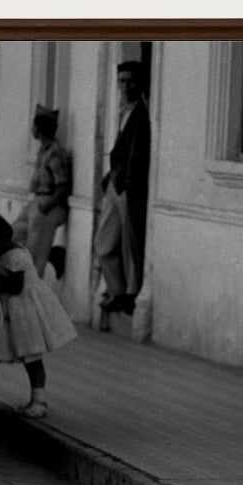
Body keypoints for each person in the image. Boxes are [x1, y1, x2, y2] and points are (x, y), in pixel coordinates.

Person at [0, 211, 77, 419]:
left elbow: (15, 285)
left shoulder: (15, 256)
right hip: (18, 312)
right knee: (29, 357)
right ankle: (34, 399)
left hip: (26, 313)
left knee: (32, 356)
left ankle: (39, 401)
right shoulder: (8, 252)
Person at [95, 60, 150, 317]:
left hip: (127, 187)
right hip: (115, 186)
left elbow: (138, 156)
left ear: (139, 84)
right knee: (104, 243)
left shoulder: (141, 114)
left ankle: (129, 294)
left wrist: (126, 182)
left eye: (130, 81)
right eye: (121, 81)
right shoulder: (123, 113)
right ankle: (117, 290)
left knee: (131, 244)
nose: (125, 86)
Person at [11, 104, 72, 279]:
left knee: (35, 258)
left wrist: (47, 205)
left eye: (35, 126)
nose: (33, 130)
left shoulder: (55, 153)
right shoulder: (43, 151)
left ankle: (33, 296)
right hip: (37, 203)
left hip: (48, 206)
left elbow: (63, 186)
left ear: (39, 128)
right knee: (12, 235)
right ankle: (54, 255)